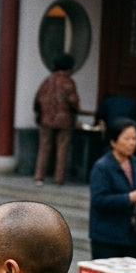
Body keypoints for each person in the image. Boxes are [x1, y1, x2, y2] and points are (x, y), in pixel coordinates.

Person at [88, 117, 136, 259]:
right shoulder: (102, 167)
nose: (132, 143)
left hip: (133, 237)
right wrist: (129, 198)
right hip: (108, 238)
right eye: (127, 138)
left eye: (134, 138)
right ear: (113, 141)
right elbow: (99, 200)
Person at [33, 55, 81, 185]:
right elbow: (74, 102)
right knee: (62, 148)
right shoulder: (68, 83)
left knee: (44, 147)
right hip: (63, 119)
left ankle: (39, 176)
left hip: (46, 119)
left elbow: (37, 98)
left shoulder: (47, 81)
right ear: (68, 68)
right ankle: (59, 178)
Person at [96, 93, 136, 159]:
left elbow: (101, 122)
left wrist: (103, 135)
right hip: (135, 125)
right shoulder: (132, 102)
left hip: (113, 127)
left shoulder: (106, 102)